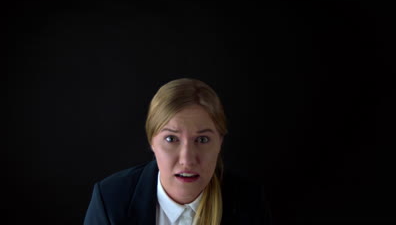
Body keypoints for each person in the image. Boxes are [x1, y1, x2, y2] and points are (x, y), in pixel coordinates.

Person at [84, 78, 272, 224]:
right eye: (171, 139)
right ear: (152, 141)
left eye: (202, 139)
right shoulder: (110, 200)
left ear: (220, 142)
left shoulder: (249, 202)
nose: (187, 160)